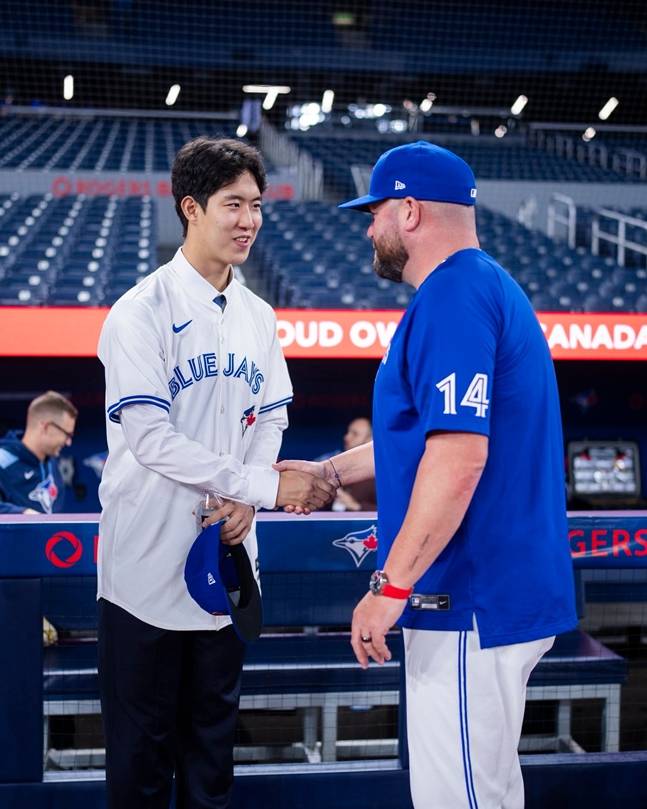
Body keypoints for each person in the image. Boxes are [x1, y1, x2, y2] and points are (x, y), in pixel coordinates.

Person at [276, 141, 577, 809]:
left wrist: (393, 583)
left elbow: (459, 457)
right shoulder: (479, 286)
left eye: (375, 211)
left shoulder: (454, 295)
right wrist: (328, 471)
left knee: (459, 800)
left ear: (409, 210)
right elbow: (425, 441)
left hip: (468, 596)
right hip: (485, 594)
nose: (367, 227)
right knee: (485, 792)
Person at [97, 137, 335, 809]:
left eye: (256, 205)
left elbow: (271, 420)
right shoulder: (139, 312)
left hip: (225, 566)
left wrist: (247, 498)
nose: (248, 220)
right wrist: (259, 486)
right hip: (142, 571)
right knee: (140, 766)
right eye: (233, 204)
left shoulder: (260, 316)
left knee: (211, 760)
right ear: (191, 208)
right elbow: (150, 438)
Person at [0, 390, 77, 514]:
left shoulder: (52, 463)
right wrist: (22, 514)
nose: (68, 442)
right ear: (46, 427)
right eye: (67, 434)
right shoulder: (3, 460)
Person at [316, 417, 376, 511]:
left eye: (355, 434)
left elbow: (394, 514)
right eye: (348, 432)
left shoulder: (380, 475)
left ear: (370, 440)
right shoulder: (334, 467)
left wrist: (356, 507)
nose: (346, 437)